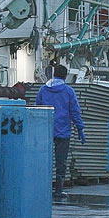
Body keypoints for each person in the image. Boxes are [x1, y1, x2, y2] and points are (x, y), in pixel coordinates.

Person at [37, 64, 85, 200]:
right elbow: (75, 111)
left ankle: (42, 188)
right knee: (61, 162)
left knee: (43, 161)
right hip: (63, 132)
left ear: (53, 74)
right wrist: (80, 129)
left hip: (45, 131)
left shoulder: (43, 90)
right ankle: (58, 190)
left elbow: (37, 109)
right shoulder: (68, 91)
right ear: (65, 76)